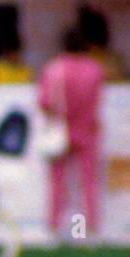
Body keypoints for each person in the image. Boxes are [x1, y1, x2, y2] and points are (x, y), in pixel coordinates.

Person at [39, 28, 105, 240]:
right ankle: (85, 231)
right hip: (87, 130)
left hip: (61, 130)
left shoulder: (54, 69)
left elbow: (45, 102)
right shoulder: (95, 69)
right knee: (86, 184)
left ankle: (56, 229)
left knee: (59, 183)